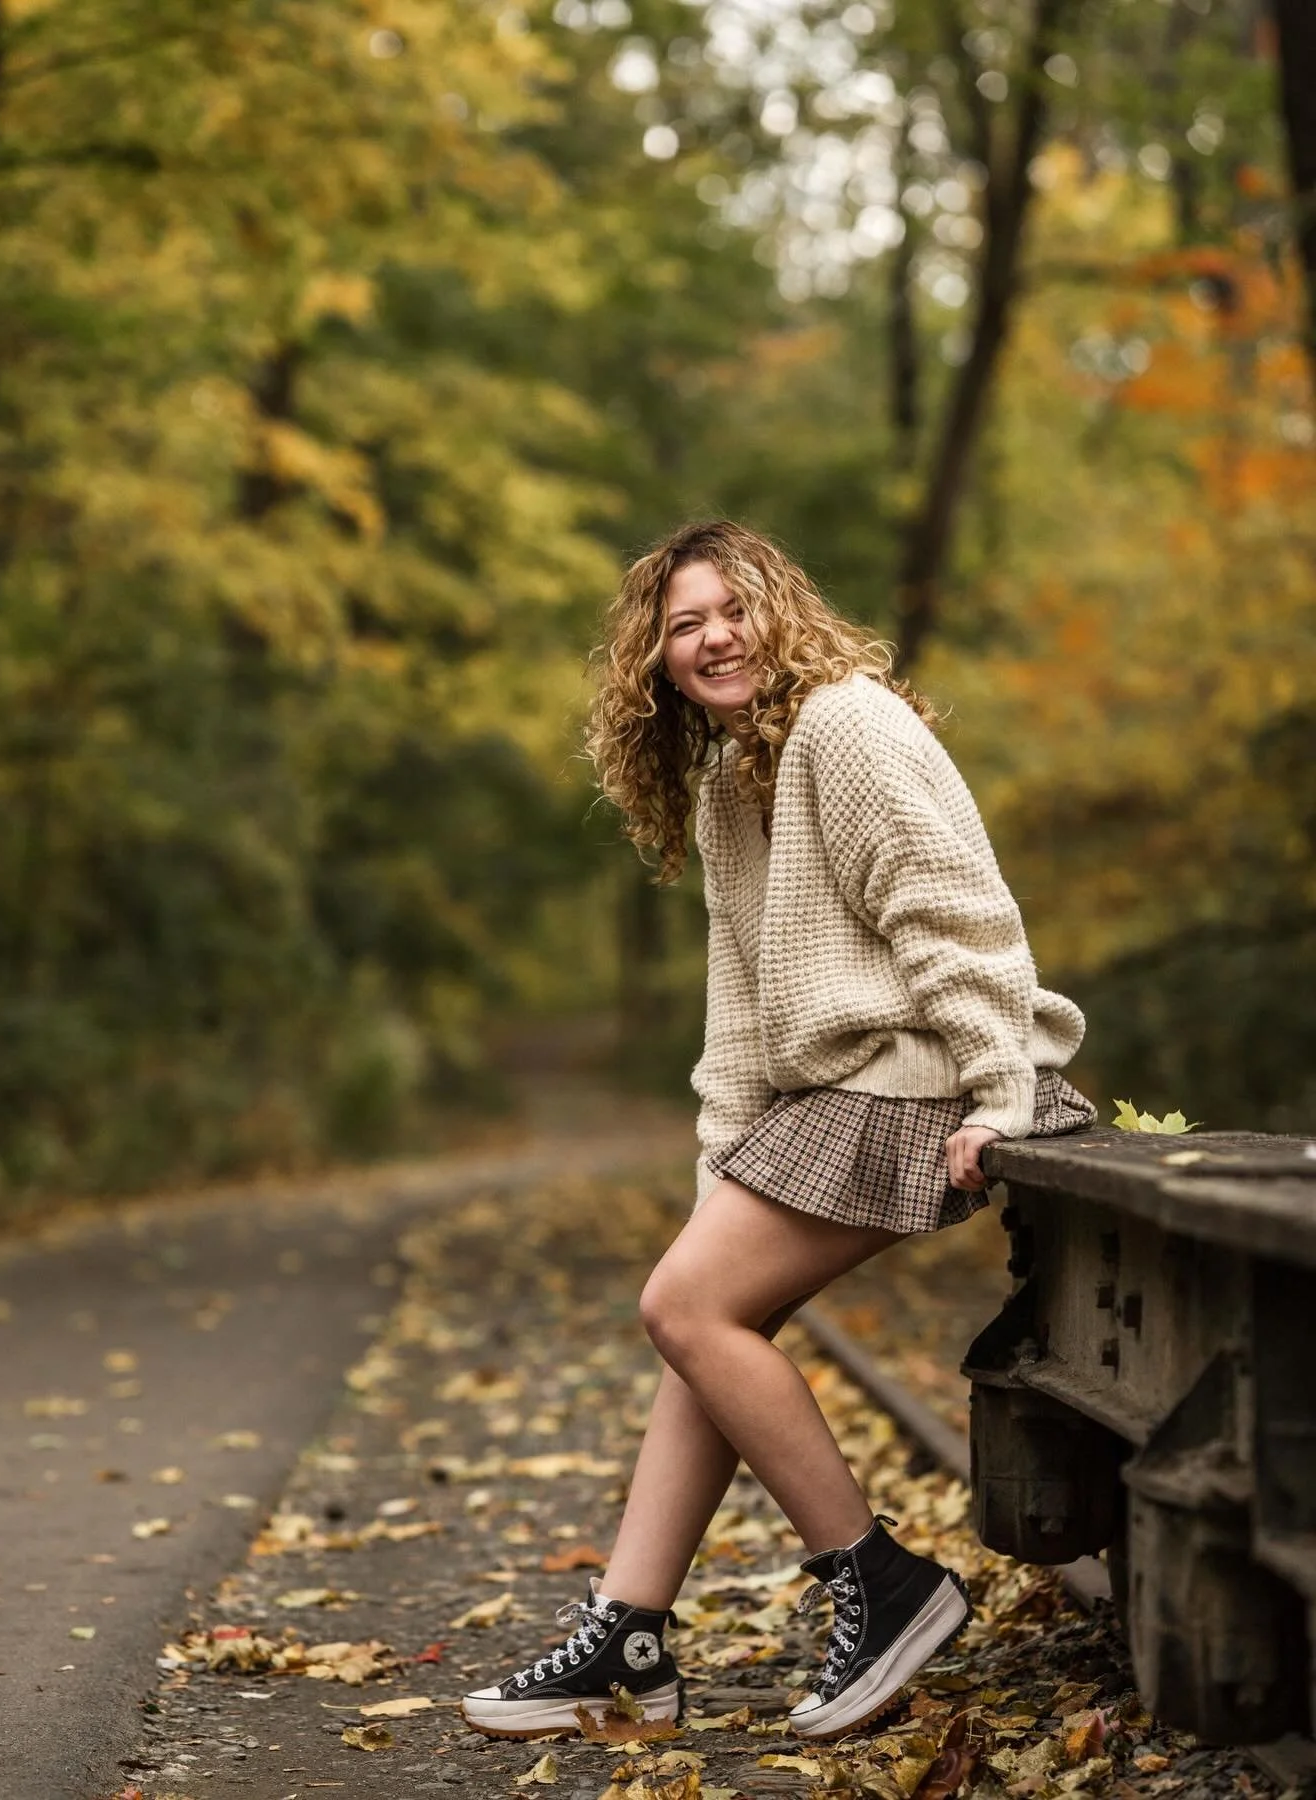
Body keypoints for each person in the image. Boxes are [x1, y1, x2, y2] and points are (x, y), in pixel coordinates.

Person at [460, 521, 1097, 1743]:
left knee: (686, 1309)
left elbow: (953, 915)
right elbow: (742, 1011)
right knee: (702, 1316)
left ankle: (882, 1584)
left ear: (778, 612)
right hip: (835, 1096)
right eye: (683, 625)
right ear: (655, 661)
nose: (711, 639)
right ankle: (631, 1638)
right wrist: (723, 1168)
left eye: (730, 611)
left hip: (918, 1082)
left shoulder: (848, 725)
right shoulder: (727, 780)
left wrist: (998, 1091)